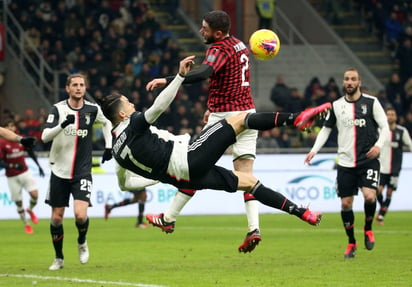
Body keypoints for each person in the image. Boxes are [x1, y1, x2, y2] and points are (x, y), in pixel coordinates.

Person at [97, 56, 328, 248]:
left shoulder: (118, 151)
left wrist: (157, 179)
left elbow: (126, 185)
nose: (133, 105)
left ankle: (301, 212)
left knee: (249, 182)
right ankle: (296, 118)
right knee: (242, 119)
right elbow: (159, 106)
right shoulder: (135, 124)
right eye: (128, 103)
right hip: (189, 159)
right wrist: (178, 77)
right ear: (122, 115)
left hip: (186, 178)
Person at [146, 10, 263, 253]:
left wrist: (172, 79)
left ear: (218, 33)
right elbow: (227, 79)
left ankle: (168, 218)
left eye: (205, 29)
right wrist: (212, 107)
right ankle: (254, 228)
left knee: (192, 166)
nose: (201, 31)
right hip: (247, 114)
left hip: (226, 118)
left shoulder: (218, 48)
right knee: (246, 177)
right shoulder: (239, 44)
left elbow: (205, 72)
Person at [304, 68, 390, 259]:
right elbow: (326, 130)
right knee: (345, 204)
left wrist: (378, 146)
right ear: (343, 83)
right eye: (346, 79)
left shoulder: (371, 102)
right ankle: (351, 241)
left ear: (359, 82)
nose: (349, 82)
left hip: (368, 159)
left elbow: (385, 127)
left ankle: (368, 228)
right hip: (345, 162)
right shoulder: (336, 106)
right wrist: (314, 150)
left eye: (353, 79)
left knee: (369, 196)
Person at [41, 73, 113, 271]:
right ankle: (59, 258)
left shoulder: (92, 109)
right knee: (56, 218)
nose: (79, 88)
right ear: (68, 88)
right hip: (59, 171)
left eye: (82, 85)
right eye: (75, 85)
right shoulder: (58, 109)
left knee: (80, 216)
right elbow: (45, 136)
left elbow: (107, 123)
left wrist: (109, 146)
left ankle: (82, 241)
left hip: (82, 171)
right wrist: (62, 125)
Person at [0, 119, 44, 234]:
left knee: (35, 195)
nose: (10, 128)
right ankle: (26, 224)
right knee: (19, 203)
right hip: (12, 176)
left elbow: (30, 152)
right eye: (8, 126)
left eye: (12, 126)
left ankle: (29, 209)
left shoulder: (20, 138)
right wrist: (12, 165)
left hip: (24, 172)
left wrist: (39, 166)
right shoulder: (2, 144)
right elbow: (0, 162)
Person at [376, 107, 412, 225]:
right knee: (378, 191)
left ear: (396, 117)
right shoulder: (380, 130)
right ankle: (383, 208)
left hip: (395, 168)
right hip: (381, 167)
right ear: (385, 117)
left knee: (389, 192)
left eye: (392, 114)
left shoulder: (402, 131)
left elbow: (410, 145)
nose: (390, 116)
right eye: (388, 114)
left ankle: (381, 215)